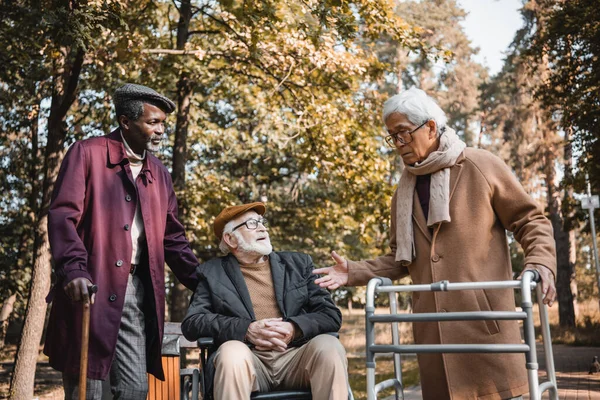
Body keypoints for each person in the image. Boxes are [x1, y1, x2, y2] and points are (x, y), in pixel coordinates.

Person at [314, 87, 557, 400]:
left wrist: (539, 263)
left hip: (484, 327)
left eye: (402, 133)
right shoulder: (402, 193)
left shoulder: (480, 165)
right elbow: (401, 259)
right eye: (392, 136)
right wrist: (354, 272)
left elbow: (531, 220)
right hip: (433, 334)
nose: (398, 144)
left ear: (430, 127)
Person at [44, 83, 200, 399]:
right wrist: (73, 270)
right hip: (90, 288)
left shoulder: (160, 173)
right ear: (125, 121)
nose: (160, 131)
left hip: (139, 292)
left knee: (134, 390)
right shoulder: (87, 154)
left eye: (163, 125)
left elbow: (173, 240)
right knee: (89, 391)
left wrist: (206, 282)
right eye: (153, 122)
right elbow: (63, 217)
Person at [182, 202, 348, 400]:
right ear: (230, 239)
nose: (262, 228)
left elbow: (330, 315)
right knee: (231, 353)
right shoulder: (211, 273)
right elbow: (193, 323)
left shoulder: (298, 264)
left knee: (329, 346)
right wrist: (246, 330)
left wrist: (294, 328)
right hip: (248, 359)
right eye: (252, 224)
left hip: (296, 356)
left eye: (262, 222)